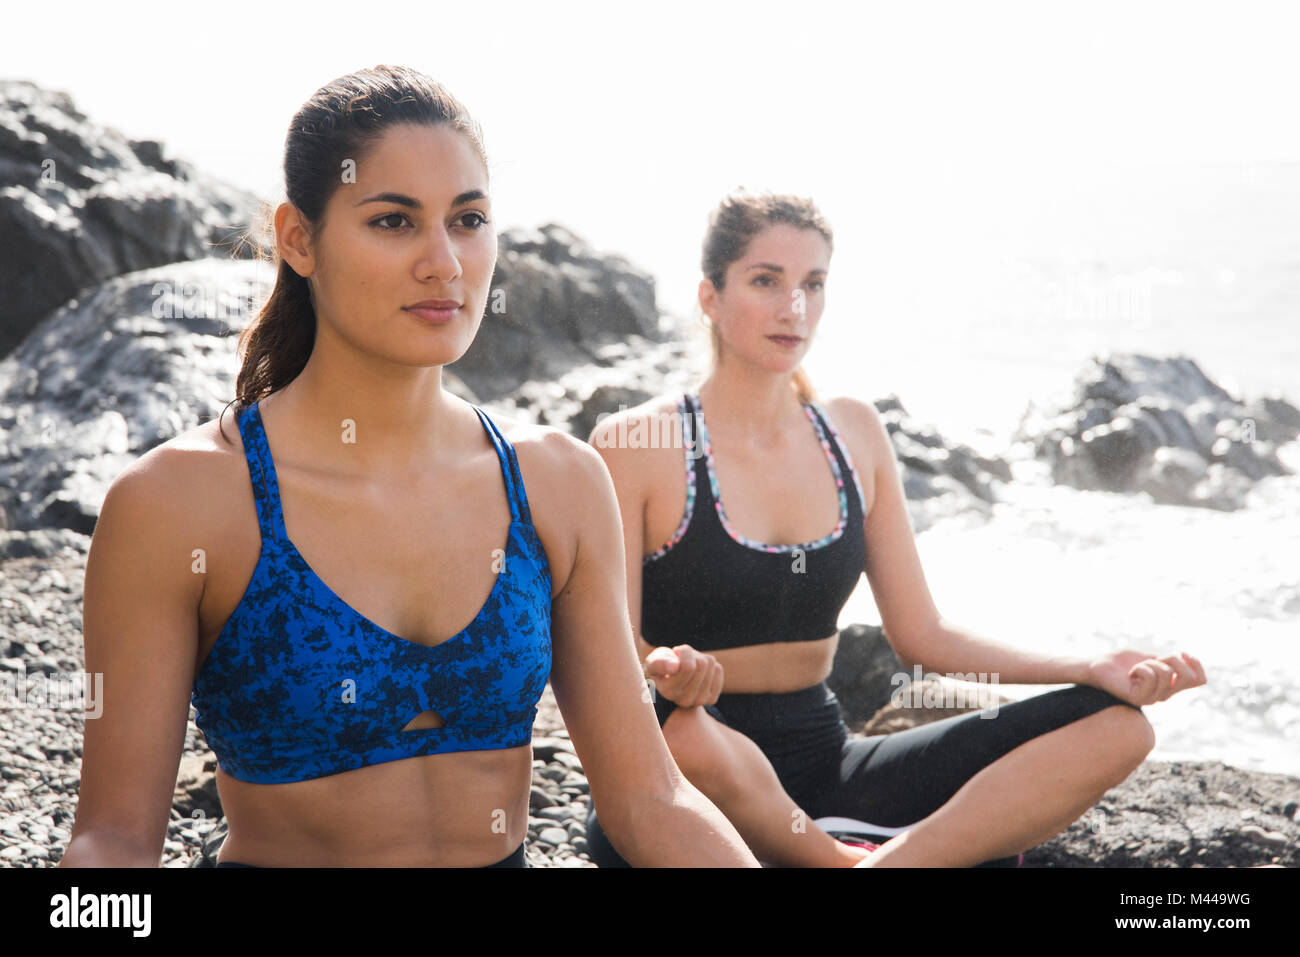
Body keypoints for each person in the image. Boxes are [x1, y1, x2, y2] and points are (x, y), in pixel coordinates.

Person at [59, 65, 758, 868]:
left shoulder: (557, 481)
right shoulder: (178, 503)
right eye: (393, 222)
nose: (444, 262)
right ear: (297, 238)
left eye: (468, 220)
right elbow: (112, 837)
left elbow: (648, 798)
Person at [584, 189, 1208, 867]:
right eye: (766, 281)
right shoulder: (638, 442)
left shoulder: (852, 432)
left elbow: (924, 635)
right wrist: (670, 671)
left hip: (828, 765)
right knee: (688, 738)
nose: (794, 307)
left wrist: (1089, 666)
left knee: (1118, 727)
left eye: (812, 284)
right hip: (688, 774)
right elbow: (612, 654)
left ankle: (885, 862)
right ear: (710, 296)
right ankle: (846, 861)